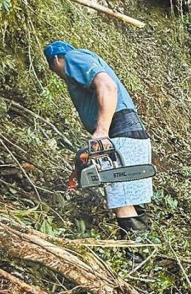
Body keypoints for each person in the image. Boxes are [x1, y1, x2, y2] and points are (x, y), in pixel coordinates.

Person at [43, 40, 152, 233]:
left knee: (122, 197)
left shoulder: (73, 59)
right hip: (130, 129)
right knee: (132, 197)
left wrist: (101, 132)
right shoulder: (84, 60)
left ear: (57, 59)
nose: (56, 73)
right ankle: (144, 246)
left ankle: (136, 255)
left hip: (119, 129)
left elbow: (108, 87)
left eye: (53, 67)